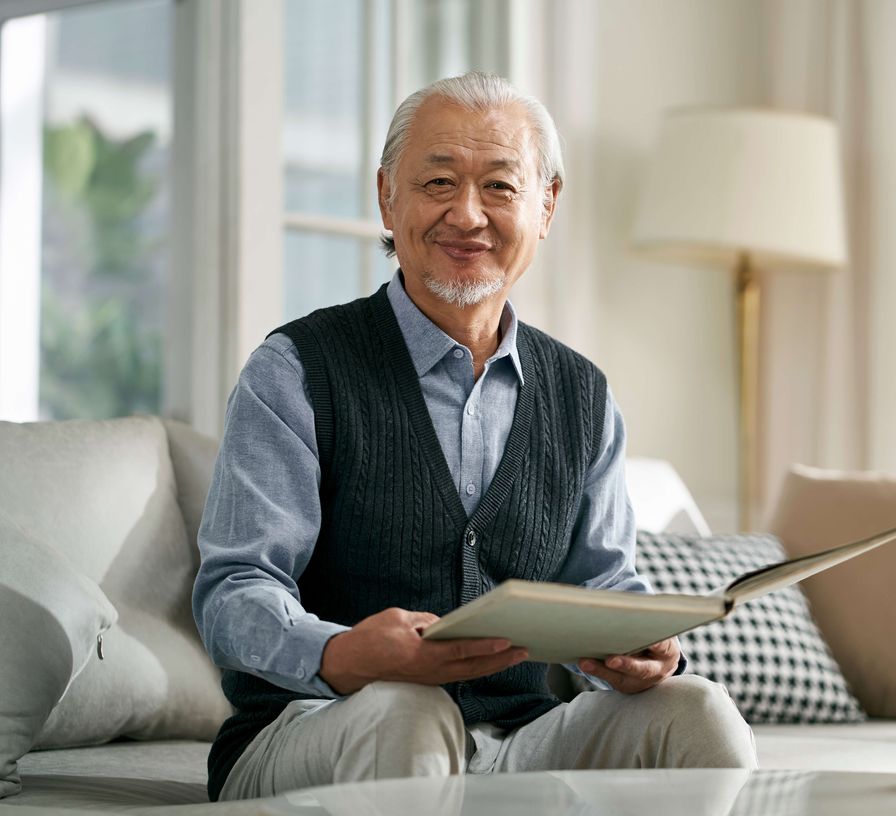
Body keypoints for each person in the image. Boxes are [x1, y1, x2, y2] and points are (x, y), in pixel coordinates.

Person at [192, 71, 756, 802]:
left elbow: (606, 583)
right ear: (386, 197)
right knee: (407, 709)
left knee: (699, 712)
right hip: (315, 726)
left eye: (499, 186)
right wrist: (342, 652)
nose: (467, 214)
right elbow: (234, 593)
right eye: (437, 183)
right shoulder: (297, 369)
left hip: (520, 738)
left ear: (546, 205)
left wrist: (642, 646)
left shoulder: (583, 392)